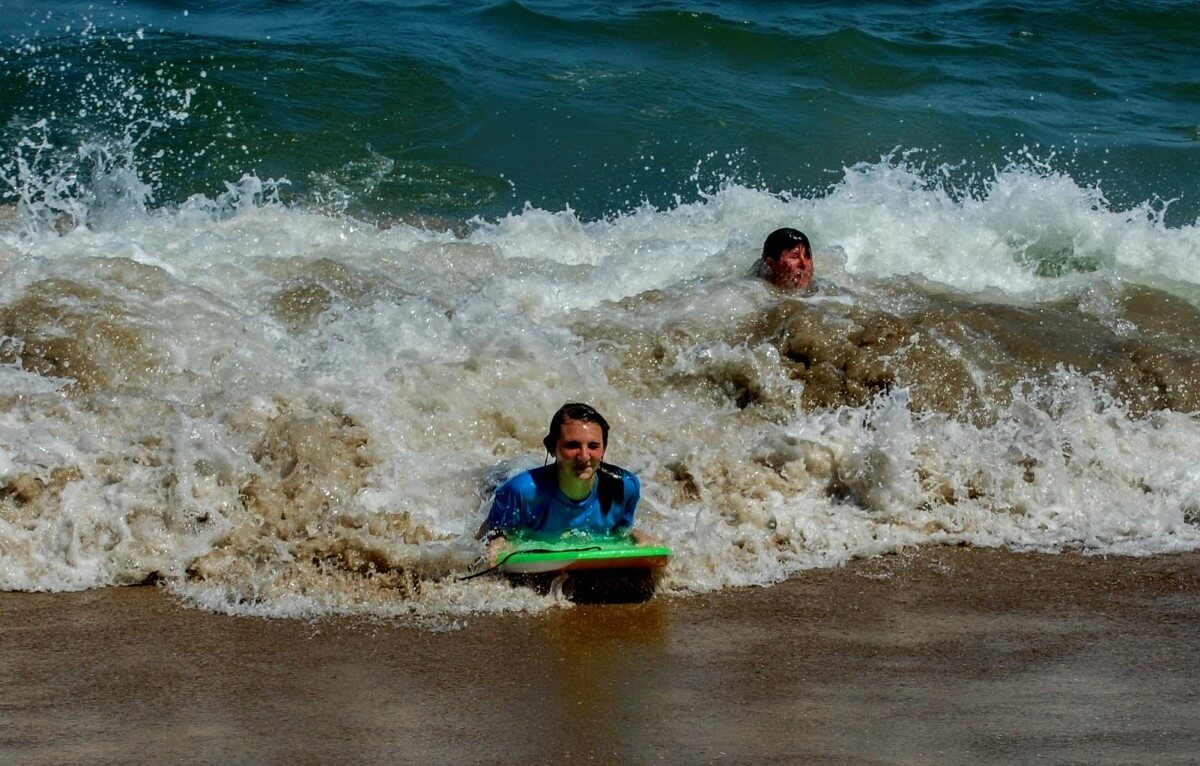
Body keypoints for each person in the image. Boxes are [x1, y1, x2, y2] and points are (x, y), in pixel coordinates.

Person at [481, 402, 645, 564]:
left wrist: (638, 538)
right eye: (572, 446)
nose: (584, 456)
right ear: (552, 447)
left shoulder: (624, 488)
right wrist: (495, 550)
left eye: (593, 446)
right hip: (503, 478)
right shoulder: (520, 492)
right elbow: (491, 538)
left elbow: (621, 533)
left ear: (604, 449)